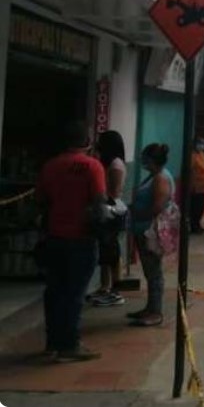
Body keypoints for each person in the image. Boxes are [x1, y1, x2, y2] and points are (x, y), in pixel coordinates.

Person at [36, 121, 107, 362]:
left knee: (54, 291)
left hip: (54, 236)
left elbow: (41, 200)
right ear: (86, 142)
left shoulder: (50, 166)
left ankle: (52, 343)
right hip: (81, 238)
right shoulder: (92, 166)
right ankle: (70, 344)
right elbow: (99, 202)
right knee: (75, 293)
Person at [128, 143, 174, 327]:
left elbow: (157, 206)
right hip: (143, 229)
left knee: (154, 271)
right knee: (150, 271)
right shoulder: (154, 176)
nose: (143, 162)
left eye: (145, 159)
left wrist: (137, 214)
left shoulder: (160, 179)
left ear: (152, 161)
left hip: (151, 232)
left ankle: (156, 312)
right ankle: (150, 307)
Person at [89, 130, 128, 307]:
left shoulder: (116, 164)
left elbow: (114, 191)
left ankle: (116, 290)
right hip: (104, 209)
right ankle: (105, 286)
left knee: (112, 252)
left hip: (112, 211)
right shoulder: (104, 162)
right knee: (105, 252)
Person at [189, 137, 204, 234]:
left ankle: (198, 224)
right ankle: (194, 226)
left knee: (202, 206)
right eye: (199, 144)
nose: (201, 146)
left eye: (203, 144)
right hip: (196, 187)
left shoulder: (202, 154)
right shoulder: (192, 156)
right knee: (196, 207)